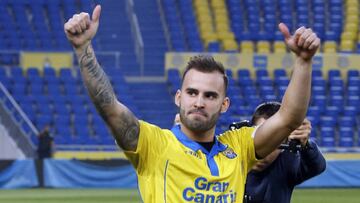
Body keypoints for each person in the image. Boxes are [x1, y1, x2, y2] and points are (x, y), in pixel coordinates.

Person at [64, 5, 320, 202]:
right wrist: (83, 48)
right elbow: (109, 107)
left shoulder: (239, 147)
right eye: (192, 92)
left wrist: (304, 62)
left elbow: (289, 118)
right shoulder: (153, 145)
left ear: (224, 104)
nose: (199, 102)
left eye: (210, 96)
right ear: (178, 97)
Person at [243, 102, 326, 203]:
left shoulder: (286, 163)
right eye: (261, 137)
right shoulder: (233, 159)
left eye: (275, 142)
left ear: (286, 142)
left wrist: (306, 144)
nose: (266, 151)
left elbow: (317, 166)